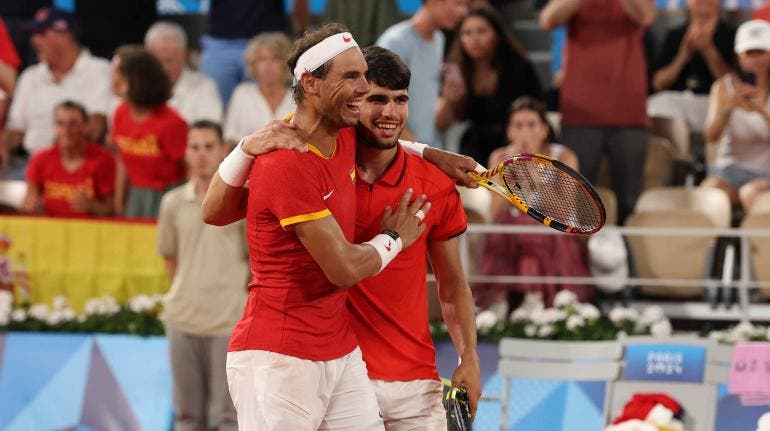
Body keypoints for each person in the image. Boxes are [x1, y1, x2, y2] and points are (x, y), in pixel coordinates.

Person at [208, 23, 430, 430]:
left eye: (363, 74)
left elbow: (388, 138)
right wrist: (395, 238)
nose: (364, 87)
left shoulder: (342, 131)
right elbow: (342, 268)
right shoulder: (286, 161)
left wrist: (436, 154)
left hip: (338, 349)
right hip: (279, 355)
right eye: (350, 76)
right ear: (310, 83)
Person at [349, 45, 481, 429]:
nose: (391, 112)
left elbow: (453, 284)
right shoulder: (327, 170)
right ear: (354, 102)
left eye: (400, 100)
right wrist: (427, 149)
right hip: (342, 376)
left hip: (417, 380)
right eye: (377, 99)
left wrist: (469, 357)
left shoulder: (434, 186)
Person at [156, 120, 247, 431]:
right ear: (185, 152)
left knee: (227, 417)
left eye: (209, 147)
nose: (201, 154)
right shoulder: (172, 203)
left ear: (224, 150)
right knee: (187, 417)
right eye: (194, 147)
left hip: (229, 320)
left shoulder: (240, 200)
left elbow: (254, 260)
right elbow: (170, 257)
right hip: (183, 319)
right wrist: (186, 291)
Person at [540, 0, 655, 224]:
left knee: (630, 201)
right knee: (578, 199)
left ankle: (629, 257)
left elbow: (646, 16)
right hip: (580, 113)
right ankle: (578, 257)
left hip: (629, 113)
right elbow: (548, 20)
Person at [475, 96, 591, 316]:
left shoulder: (564, 156)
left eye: (531, 125)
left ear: (545, 129)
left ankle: (536, 298)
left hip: (553, 230)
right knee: (505, 226)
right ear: (509, 131)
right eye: (518, 126)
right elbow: (495, 212)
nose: (525, 132)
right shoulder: (499, 156)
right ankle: (500, 300)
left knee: (534, 229)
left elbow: (563, 212)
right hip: (513, 233)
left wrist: (534, 174)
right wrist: (509, 171)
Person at [3, 7, 112, 177]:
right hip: (29, 163)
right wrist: (2, 144)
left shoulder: (99, 71)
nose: (33, 40)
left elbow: (95, 128)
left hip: (78, 165)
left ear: (64, 35)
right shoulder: (30, 76)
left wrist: (52, 158)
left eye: (41, 33)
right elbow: (16, 131)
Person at [436, 3, 543, 164]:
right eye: (467, 33)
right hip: (475, 141)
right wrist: (449, 98)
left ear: (497, 34)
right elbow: (440, 124)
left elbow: (538, 109)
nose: (474, 39)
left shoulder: (518, 65)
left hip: (514, 139)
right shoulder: (456, 69)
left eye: (481, 31)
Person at [376, 0, 469, 148]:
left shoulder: (439, 39)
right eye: (458, 3)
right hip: (404, 151)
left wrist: (449, 97)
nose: (463, 12)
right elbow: (380, 105)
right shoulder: (396, 41)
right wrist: (417, 150)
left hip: (428, 148)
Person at [110, 45, 188, 218]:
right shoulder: (120, 113)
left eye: (119, 73)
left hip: (167, 195)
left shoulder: (171, 122)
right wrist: (118, 202)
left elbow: (188, 167)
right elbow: (122, 159)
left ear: (137, 79)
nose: (113, 79)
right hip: (136, 194)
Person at [702, 19, 770, 213]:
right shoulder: (723, 88)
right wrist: (728, 108)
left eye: (761, 52)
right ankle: (711, 244)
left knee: (752, 193)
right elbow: (711, 136)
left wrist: (763, 112)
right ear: (739, 56)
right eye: (749, 53)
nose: (755, 59)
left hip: (766, 174)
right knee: (711, 191)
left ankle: (758, 243)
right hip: (729, 172)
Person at [199, 0, 308, 105]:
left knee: (273, 107)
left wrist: (302, 32)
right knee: (213, 108)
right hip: (220, 43)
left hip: (269, 44)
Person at [648, 0, 735, 133]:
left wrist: (708, 49)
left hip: (713, 102)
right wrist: (683, 55)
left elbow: (733, 86)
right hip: (676, 102)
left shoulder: (731, 35)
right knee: (655, 105)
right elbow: (659, 84)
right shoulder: (675, 35)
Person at [21, 100, 115, 217]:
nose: (66, 131)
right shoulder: (40, 159)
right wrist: (32, 207)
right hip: (49, 228)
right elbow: (29, 202)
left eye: (73, 124)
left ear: (85, 127)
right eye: (60, 124)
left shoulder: (103, 160)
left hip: (90, 230)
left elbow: (113, 210)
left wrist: (92, 206)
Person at [145, 21, 223, 124]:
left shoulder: (205, 87)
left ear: (184, 57)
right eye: (156, 62)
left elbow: (209, 130)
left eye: (169, 60)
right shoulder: (135, 86)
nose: (162, 68)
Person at [224, 32, 295, 145]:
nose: (268, 65)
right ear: (253, 64)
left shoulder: (298, 96)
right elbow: (230, 137)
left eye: (275, 59)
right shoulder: (242, 93)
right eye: (262, 59)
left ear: (285, 63)